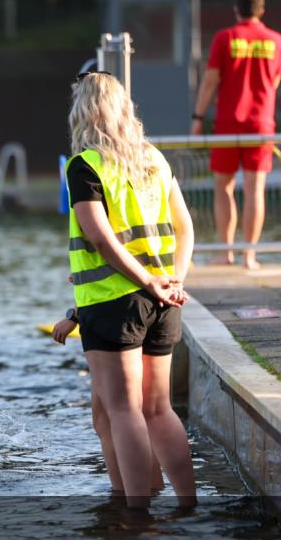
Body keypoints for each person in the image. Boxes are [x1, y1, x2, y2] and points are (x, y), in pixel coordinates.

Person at [66, 71, 197, 509]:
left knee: (123, 410)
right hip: (163, 300)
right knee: (159, 409)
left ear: (83, 112)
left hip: (114, 302)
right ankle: (186, 503)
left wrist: (146, 281)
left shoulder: (85, 165)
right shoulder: (153, 159)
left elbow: (102, 239)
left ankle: (137, 515)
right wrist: (172, 282)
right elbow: (185, 228)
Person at [191, 0, 281, 269]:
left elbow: (210, 81)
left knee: (224, 187)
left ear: (236, 10)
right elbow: (275, 81)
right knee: (256, 190)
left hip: (228, 122)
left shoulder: (225, 38)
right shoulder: (277, 41)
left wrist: (198, 117)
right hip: (261, 123)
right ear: (262, 10)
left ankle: (226, 252)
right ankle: (250, 256)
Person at [48, 302, 165, 495]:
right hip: (144, 309)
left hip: (113, 313)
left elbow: (115, 275)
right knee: (135, 414)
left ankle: (131, 499)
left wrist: (74, 316)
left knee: (111, 421)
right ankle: (150, 493)